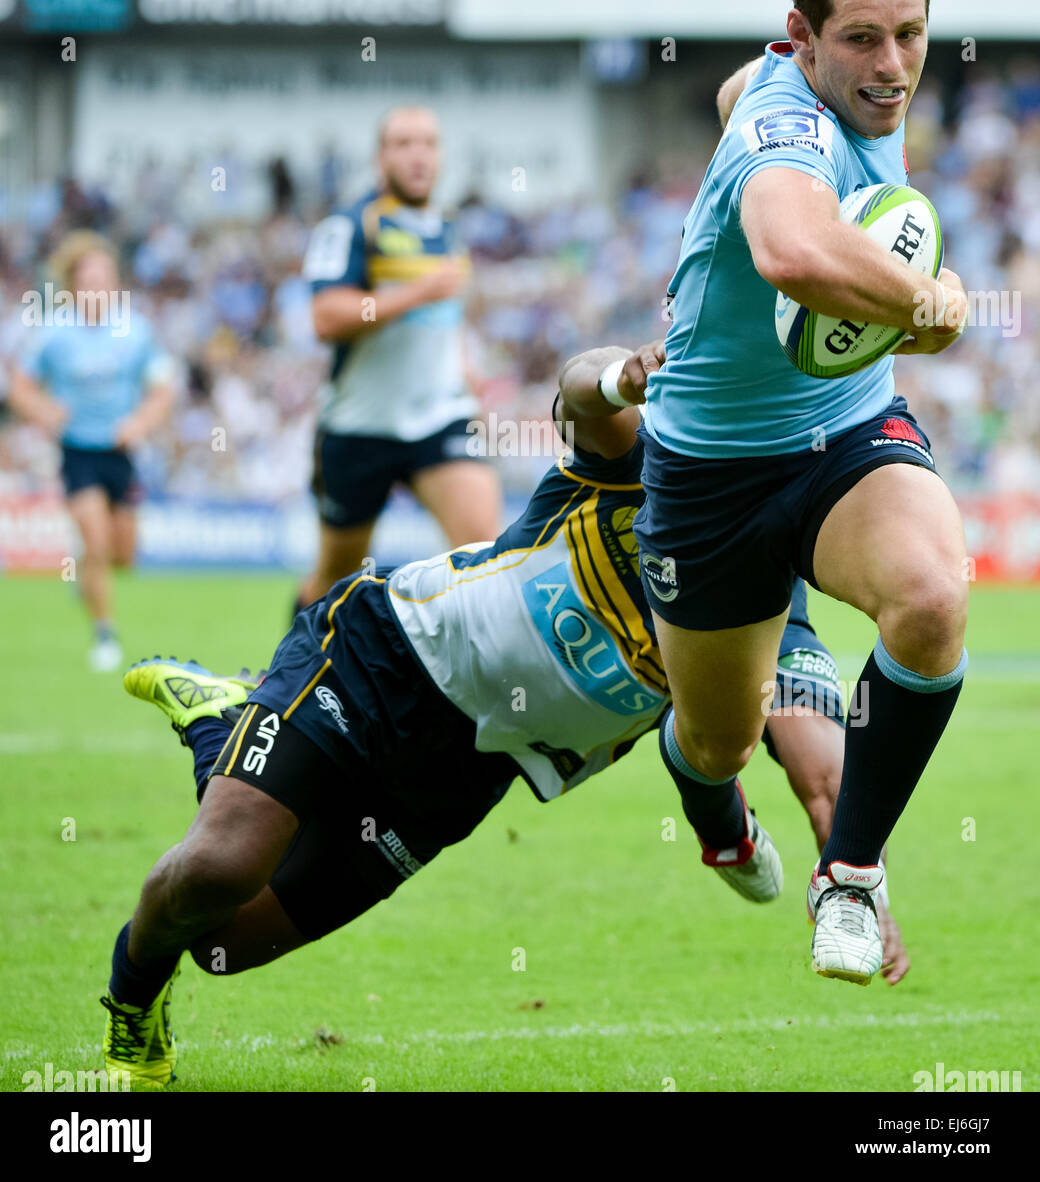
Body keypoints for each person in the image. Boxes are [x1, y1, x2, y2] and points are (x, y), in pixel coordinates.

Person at [99, 340, 909, 1089]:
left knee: (220, 942)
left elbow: (825, 773)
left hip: (464, 778)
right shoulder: (655, 465)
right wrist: (622, 374)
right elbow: (581, 395)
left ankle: (220, 724)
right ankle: (131, 1009)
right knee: (220, 867)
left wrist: (855, 883)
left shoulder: (774, 624)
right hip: (386, 655)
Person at [632, 0, 969, 985]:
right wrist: (926, 298)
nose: (890, 64)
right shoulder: (790, 118)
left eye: (908, 34)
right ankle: (717, 819)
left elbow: (738, 93)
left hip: (842, 434)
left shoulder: (829, 93)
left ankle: (850, 876)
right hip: (708, 472)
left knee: (930, 594)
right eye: (861, 39)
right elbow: (785, 244)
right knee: (718, 738)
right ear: (801, 36)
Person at [295, 104, 501, 610]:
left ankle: (458, 687)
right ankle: (285, 679)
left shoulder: (445, 228)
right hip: (360, 426)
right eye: (404, 144)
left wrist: (464, 369)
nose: (418, 156)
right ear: (380, 157)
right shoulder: (351, 226)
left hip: (438, 417)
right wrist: (414, 293)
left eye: (428, 143)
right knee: (337, 576)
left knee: (484, 556)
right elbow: (326, 317)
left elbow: (444, 317)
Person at [8, 231, 175, 671]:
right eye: (88, 280)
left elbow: (163, 389)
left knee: (123, 555)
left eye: (104, 279)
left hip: (119, 453)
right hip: (77, 451)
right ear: (73, 286)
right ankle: (105, 635)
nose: (97, 288)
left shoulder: (134, 330)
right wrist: (45, 411)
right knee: (97, 541)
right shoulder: (54, 334)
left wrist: (138, 423)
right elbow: (20, 388)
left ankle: (83, 571)